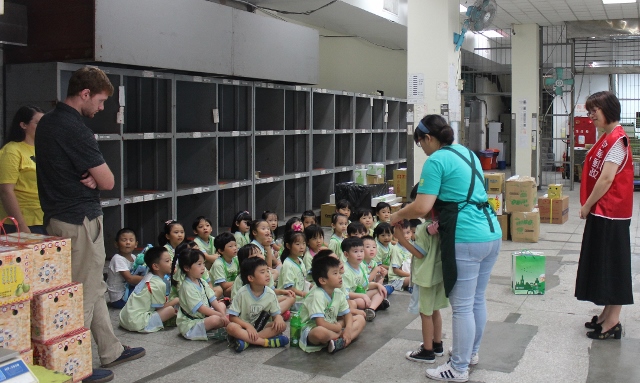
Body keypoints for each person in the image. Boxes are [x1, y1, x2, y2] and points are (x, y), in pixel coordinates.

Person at [35, 66, 145, 382]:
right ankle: (72, 366)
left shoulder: (47, 122)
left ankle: (110, 350)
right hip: (80, 221)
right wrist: (96, 181)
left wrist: (90, 178)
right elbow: (108, 180)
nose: (100, 108)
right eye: (99, 101)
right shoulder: (75, 128)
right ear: (84, 94)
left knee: (93, 285)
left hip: (58, 215)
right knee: (81, 292)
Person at [390, 114, 501, 382]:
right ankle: (470, 353)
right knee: (477, 300)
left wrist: (396, 217)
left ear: (428, 138)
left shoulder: (436, 160)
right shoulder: (467, 153)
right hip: (490, 232)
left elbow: (422, 207)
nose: (422, 149)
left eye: (420, 143)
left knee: (462, 306)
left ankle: (459, 368)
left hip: (465, 237)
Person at [577, 91, 634, 340]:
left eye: (594, 111)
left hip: (611, 213)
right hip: (604, 212)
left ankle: (613, 322)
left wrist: (587, 205)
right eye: (589, 111)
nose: (591, 116)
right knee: (605, 264)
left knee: (613, 266)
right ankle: (606, 314)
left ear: (607, 109)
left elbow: (607, 178)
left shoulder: (617, 139)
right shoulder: (607, 137)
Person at [393, 190, 448, 363]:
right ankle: (437, 344)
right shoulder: (441, 223)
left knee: (425, 313)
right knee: (435, 310)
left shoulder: (425, 229)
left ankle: (428, 350)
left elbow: (419, 254)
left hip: (426, 276)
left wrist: (401, 239)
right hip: (439, 274)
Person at [298, 251, 366, 353]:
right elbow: (319, 323)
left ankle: (339, 341)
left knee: (360, 319)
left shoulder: (337, 292)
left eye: (339, 272)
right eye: (335, 273)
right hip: (313, 329)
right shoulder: (317, 294)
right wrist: (338, 327)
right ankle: (342, 339)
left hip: (332, 325)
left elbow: (347, 314)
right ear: (323, 280)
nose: (340, 276)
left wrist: (347, 329)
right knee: (319, 333)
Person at [226, 257, 289, 353]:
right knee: (231, 327)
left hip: (261, 327)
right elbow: (232, 317)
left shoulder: (270, 293)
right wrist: (248, 326)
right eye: (262, 272)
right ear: (251, 278)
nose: (267, 275)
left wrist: (278, 318)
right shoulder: (242, 293)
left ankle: (246, 341)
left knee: (282, 325)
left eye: (267, 271)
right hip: (243, 327)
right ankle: (264, 342)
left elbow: (276, 314)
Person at [0, 105, 46, 234]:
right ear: (23, 125)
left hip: (46, 218)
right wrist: (21, 225)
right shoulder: (12, 151)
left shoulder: (44, 148)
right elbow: (6, 191)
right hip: (24, 222)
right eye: (37, 123)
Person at [119, 247, 178, 333]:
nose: (171, 263)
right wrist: (176, 300)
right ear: (155, 266)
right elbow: (160, 308)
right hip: (136, 322)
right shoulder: (159, 283)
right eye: (167, 261)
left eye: (170, 260)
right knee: (170, 310)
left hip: (124, 319)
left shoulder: (148, 276)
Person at [174, 248, 228, 341]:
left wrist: (222, 314)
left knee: (221, 305)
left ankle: (219, 325)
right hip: (190, 323)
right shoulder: (187, 287)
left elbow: (212, 299)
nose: (203, 267)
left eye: (203, 263)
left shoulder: (201, 281)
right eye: (199, 264)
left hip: (203, 316)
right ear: (187, 268)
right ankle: (212, 332)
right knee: (215, 319)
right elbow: (201, 308)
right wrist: (220, 316)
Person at [340, 237, 388, 322]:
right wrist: (363, 296)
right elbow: (345, 294)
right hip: (350, 299)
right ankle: (374, 305)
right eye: (355, 251)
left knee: (381, 290)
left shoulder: (362, 265)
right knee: (359, 302)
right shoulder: (345, 271)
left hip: (361, 293)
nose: (359, 254)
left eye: (361, 251)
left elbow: (365, 285)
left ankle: (371, 309)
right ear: (346, 254)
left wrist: (378, 284)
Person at [106, 228, 144, 309]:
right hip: (119, 299)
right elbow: (130, 279)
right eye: (124, 240)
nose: (128, 243)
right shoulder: (117, 259)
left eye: (131, 240)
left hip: (128, 290)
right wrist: (149, 278)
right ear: (116, 244)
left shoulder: (134, 257)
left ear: (136, 244)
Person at [277, 230, 309, 310]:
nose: (302, 247)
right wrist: (304, 294)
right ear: (288, 246)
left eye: (304, 243)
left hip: (300, 297)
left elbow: (302, 279)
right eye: (297, 244)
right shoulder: (288, 264)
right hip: (292, 299)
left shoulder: (299, 260)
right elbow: (289, 288)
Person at [210, 232, 239, 298]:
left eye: (235, 245)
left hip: (231, 287)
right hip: (221, 293)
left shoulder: (236, 259)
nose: (235, 248)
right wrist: (239, 281)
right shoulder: (218, 264)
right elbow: (224, 285)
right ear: (221, 250)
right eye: (230, 246)